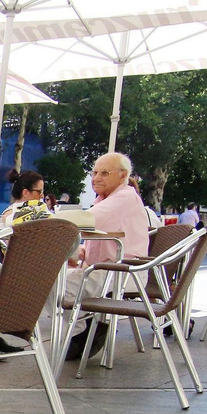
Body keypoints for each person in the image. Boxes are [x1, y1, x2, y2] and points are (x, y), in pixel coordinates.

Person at [64, 152, 150, 358]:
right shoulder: (106, 199)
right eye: (94, 173)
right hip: (105, 270)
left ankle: (83, 329)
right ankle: (86, 324)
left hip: (121, 273)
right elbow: (98, 237)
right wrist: (80, 252)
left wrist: (39, 218)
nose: (96, 178)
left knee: (53, 284)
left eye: (104, 173)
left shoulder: (124, 197)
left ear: (123, 176)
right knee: (52, 281)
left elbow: (82, 220)